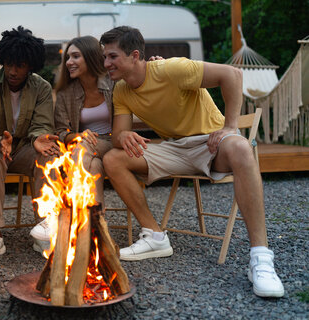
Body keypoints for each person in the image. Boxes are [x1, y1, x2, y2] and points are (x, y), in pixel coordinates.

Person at [100, 26, 284, 298]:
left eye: (112, 56)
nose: (106, 63)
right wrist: (123, 134)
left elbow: (231, 74)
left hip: (209, 143)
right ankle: (154, 236)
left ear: (134, 55)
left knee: (242, 149)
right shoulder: (122, 91)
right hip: (174, 148)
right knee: (113, 159)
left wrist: (230, 127)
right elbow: (118, 137)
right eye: (105, 57)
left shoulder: (171, 69)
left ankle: (261, 258)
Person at [0, 26, 60, 266]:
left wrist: (39, 138)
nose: (12, 71)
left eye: (19, 65)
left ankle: (46, 229)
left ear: (31, 65)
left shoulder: (42, 88)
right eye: (8, 64)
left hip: (24, 147)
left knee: (49, 156)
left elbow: (42, 124)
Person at [29, 36, 114, 253]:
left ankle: (58, 217)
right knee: (88, 163)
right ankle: (95, 233)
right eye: (68, 57)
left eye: (76, 56)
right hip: (85, 150)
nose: (69, 62)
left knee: (82, 148)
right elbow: (59, 131)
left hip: (113, 143)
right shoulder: (67, 93)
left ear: (92, 57)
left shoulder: (113, 84)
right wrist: (76, 135)